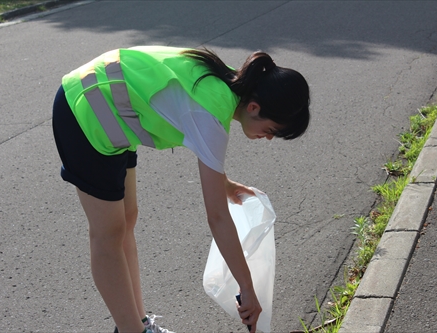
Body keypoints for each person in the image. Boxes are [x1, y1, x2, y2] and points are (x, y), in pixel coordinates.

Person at [52, 45, 310, 333]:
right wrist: (247, 288)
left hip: (109, 108)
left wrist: (222, 184)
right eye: (273, 130)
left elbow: (192, 124)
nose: (269, 139)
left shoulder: (220, 85)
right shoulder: (213, 109)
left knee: (127, 220)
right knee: (108, 233)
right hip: (85, 111)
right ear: (254, 108)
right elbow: (218, 217)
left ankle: (139, 325)